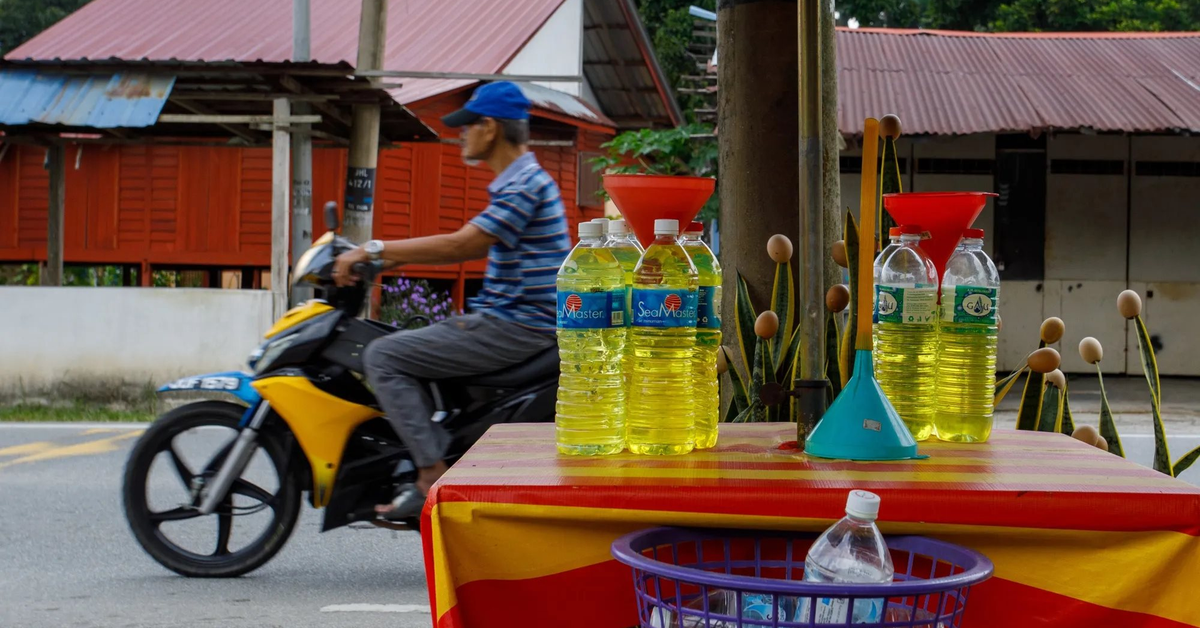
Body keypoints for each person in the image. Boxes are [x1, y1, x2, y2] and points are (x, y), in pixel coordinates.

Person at [332, 82, 569, 520]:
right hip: (511, 319)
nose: (460, 135)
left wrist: (375, 251)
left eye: (466, 126)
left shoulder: (524, 184)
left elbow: (462, 245)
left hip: (518, 326)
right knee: (401, 340)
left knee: (382, 356)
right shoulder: (521, 181)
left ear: (490, 127)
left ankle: (429, 475)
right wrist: (387, 261)